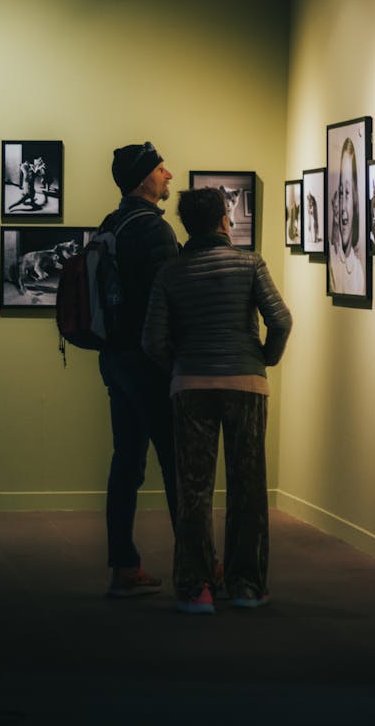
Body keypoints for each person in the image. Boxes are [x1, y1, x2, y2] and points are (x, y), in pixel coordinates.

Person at [142, 186, 292, 615]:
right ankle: (246, 585)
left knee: (194, 489)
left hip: (190, 385)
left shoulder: (171, 272)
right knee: (248, 487)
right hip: (245, 384)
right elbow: (280, 320)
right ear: (225, 219)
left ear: (187, 225)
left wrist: (181, 365)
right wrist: (263, 359)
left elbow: (152, 339)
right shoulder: (250, 263)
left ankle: (197, 587)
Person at [98, 141, 180, 598]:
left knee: (126, 462)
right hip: (149, 362)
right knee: (176, 462)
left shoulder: (112, 223)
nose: (168, 174)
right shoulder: (151, 230)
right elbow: (167, 301)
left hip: (114, 359)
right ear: (143, 179)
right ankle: (196, 562)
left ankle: (124, 565)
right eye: (160, 168)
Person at [328, 136, 364, 294]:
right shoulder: (331, 257)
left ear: (356, 201)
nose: (342, 206)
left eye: (347, 192)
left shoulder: (358, 273)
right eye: (340, 192)